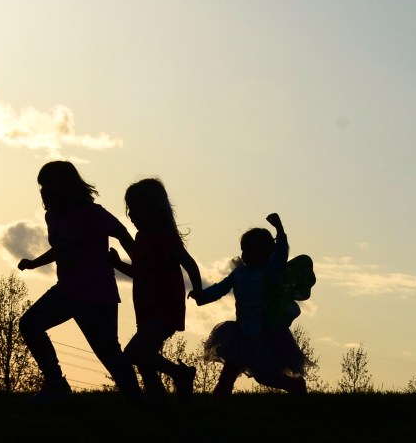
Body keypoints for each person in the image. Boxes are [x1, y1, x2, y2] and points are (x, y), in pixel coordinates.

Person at [17, 161, 141, 403]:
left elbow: (121, 232)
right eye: (41, 186)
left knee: (108, 352)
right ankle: (55, 383)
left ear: (63, 185)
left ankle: (136, 399)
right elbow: (61, 247)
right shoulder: (52, 216)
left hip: (97, 295)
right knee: (30, 324)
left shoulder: (91, 212)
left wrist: (140, 264)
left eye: (48, 184)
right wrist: (34, 263)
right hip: (66, 292)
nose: (44, 190)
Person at [109, 178, 203, 401]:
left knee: (134, 353)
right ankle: (157, 403)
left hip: (165, 308)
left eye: (136, 209)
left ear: (153, 209)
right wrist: (117, 264)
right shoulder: (141, 238)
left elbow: (189, 263)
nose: (131, 215)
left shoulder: (166, 237)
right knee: (145, 361)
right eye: (129, 209)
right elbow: (139, 272)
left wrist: (198, 290)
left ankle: (179, 374)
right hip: (146, 308)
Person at [192, 213, 306, 396]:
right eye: (244, 250)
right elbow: (221, 288)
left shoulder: (270, 271)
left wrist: (280, 230)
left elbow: (281, 254)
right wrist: (202, 296)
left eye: (251, 251)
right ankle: (219, 398)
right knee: (229, 370)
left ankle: (295, 385)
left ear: (266, 252)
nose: (246, 255)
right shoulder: (239, 273)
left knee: (264, 375)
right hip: (241, 332)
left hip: (264, 333)